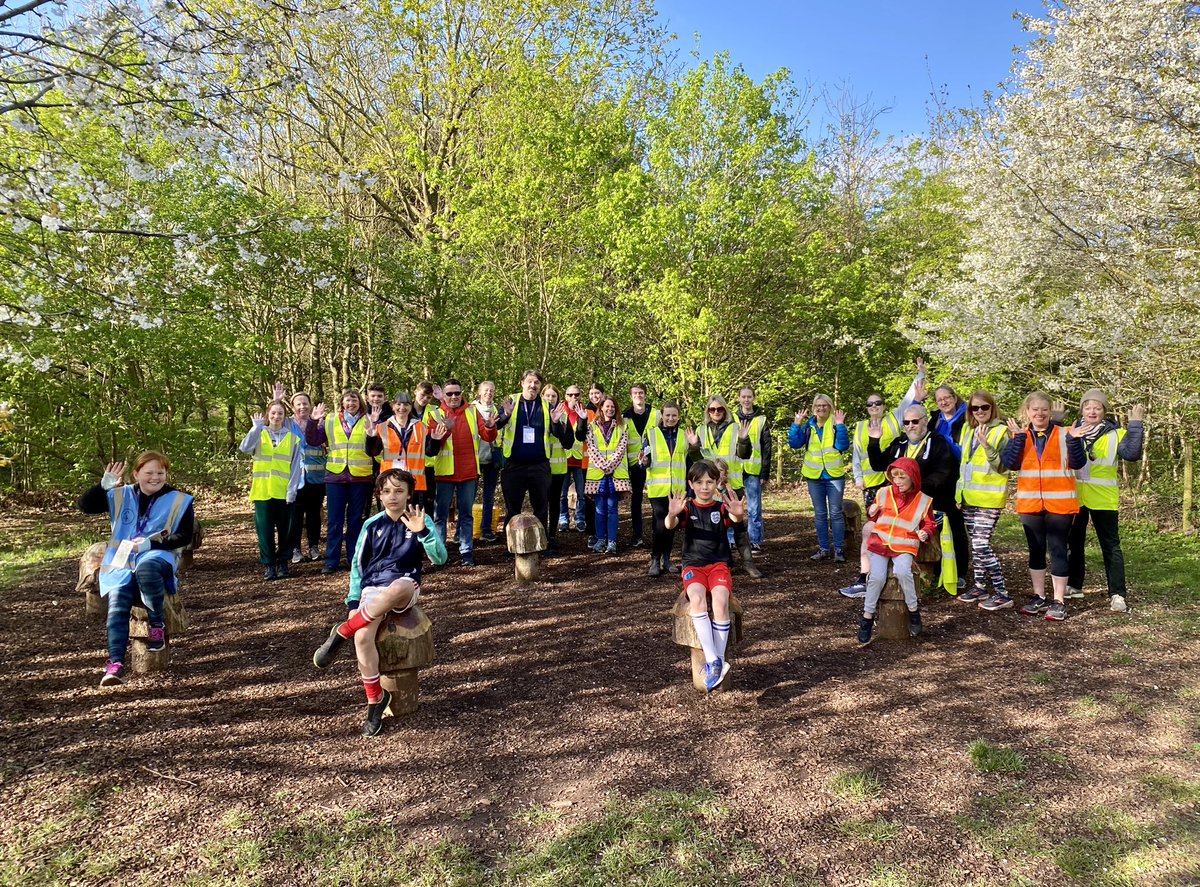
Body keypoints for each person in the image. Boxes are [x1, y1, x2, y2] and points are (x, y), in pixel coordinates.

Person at [311, 469, 446, 737]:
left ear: (409, 493)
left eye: (399, 491)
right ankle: (375, 700)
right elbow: (358, 567)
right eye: (386, 491)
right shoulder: (371, 524)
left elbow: (440, 558)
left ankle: (342, 632)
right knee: (362, 638)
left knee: (398, 586)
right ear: (379, 496)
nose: (392, 497)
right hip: (373, 590)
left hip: (405, 586)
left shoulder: (421, 520)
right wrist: (353, 602)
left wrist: (423, 534)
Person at [79, 452, 195, 686]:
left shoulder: (180, 499)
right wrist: (103, 487)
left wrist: (151, 543)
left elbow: (184, 536)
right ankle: (115, 664)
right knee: (117, 602)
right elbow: (85, 507)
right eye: (149, 472)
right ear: (136, 474)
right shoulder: (121, 494)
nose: (155, 477)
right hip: (121, 560)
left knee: (147, 567)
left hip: (157, 555)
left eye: (160, 473)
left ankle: (156, 624)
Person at [1001, 391, 1087, 621]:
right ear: (1026, 411)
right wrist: (1018, 438)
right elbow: (1010, 463)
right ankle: (1039, 596)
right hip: (1030, 503)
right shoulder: (1019, 434)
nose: (1039, 413)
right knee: (1035, 550)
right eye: (1034, 409)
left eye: (1044, 409)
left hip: (1060, 503)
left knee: (1058, 549)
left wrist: (1074, 441)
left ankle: (1059, 600)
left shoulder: (1067, 433)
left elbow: (1078, 462)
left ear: (1050, 411)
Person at [841, 363, 926, 597]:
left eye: (878, 403)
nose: (874, 407)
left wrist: (920, 374)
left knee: (894, 528)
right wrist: (858, 477)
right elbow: (857, 456)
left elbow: (910, 398)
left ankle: (892, 573)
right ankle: (868, 576)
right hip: (871, 486)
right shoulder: (860, 427)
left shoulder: (894, 419)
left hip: (893, 483)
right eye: (870, 404)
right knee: (874, 527)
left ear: (883, 406)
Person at [866, 403, 967, 592]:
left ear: (925, 421)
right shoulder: (900, 443)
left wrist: (914, 489)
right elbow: (878, 464)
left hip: (936, 500)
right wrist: (873, 442)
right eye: (906, 422)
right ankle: (903, 575)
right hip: (904, 504)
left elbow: (943, 473)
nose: (910, 425)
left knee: (953, 533)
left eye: (914, 421)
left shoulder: (938, 443)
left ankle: (958, 574)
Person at [665, 460, 747, 691]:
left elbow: (734, 520)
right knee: (698, 600)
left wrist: (739, 516)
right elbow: (670, 525)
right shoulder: (687, 508)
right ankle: (713, 660)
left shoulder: (721, 508)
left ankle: (717, 663)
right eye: (699, 482)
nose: (704, 487)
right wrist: (671, 515)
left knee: (721, 602)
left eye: (709, 482)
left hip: (719, 565)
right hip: (694, 566)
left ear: (717, 483)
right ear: (691, 484)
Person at [1067, 391, 1145, 613]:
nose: (1092, 411)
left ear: (1104, 412)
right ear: (1082, 410)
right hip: (1076, 497)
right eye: (1088, 407)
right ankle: (1074, 585)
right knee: (1074, 543)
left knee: (1110, 547)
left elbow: (1131, 454)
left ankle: (1117, 594)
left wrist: (1136, 425)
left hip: (1104, 498)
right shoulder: (1073, 431)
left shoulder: (1116, 433)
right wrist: (1054, 420)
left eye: (1097, 408)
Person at [856, 458, 935, 646]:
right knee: (876, 577)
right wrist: (871, 511)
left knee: (902, 572)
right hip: (880, 543)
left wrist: (926, 532)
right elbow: (873, 514)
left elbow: (930, 523)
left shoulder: (924, 500)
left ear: (913, 477)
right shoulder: (883, 492)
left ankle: (913, 611)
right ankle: (867, 617)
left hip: (904, 545)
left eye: (902, 476)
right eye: (894, 476)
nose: (897, 481)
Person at [495, 370, 574, 554]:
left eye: (537, 383)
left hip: (540, 465)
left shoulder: (547, 406)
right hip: (514, 465)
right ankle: (511, 546)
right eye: (529, 382)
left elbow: (562, 437)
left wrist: (555, 423)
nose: (533, 386)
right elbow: (495, 425)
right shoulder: (511, 402)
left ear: (540, 386)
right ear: (522, 383)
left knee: (541, 508)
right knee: (512, 508)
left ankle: (541, 544)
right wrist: (505, 415)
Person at [423, 377, 497, 567]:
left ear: (462, 393)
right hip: (445, 472)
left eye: (457, 393)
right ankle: (439, 554)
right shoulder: (436, 413)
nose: (454, 397)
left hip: (468, 471)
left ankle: (466, 552)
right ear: (444, 396)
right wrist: (446, 430)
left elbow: (487, 435)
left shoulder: (473, 412)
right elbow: (433, 445)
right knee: (440, 515)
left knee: (466, 514)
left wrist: (490, 427)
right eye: (449, 394)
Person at [687, 395, 759, 577]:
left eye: (719, 409)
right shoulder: (701, 430)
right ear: (708, 412)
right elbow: (697, 460)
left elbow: (744, 454)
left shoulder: (736, 428)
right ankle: (724, 562)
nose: (716, 412)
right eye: (712, 409)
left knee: (739, 526)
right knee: (716, 526)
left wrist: (743, 439)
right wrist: (694, 446)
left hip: (732, 485)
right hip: (709, 487)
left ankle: (749, 564)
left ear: (725, 410)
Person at [307, 390, 376, 574]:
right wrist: (313, 421)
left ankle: (355, 559)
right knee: (335, 521)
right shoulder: (330, 419)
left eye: (354, 400)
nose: (351, 403)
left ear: (360, 402)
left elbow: (375, 449)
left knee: (355, 521)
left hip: (360, 477)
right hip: (335, 477)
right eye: (347, 400)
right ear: (342, 403)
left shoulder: (369, 419)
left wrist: (373, 432)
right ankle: (331, 561)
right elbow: (313, 440)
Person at [955, 392, 1014, 610]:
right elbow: (965, 467)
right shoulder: (968, 431)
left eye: (984, 407)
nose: (979, 412)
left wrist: (987, 446)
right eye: (974, 408)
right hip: (968, 498)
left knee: (981, 544)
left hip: (990, 499)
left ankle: (1002, 592)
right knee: (976, 546)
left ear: (992, 408)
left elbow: (1003, 466)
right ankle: (980, 586)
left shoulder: (1001, 432)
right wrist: (958, 495)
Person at [240, 400, 304, 580]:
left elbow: (295, 468)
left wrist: (292, 490)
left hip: (284, 492)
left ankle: (283, 562)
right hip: (262, 491)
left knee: (287, 529)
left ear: (285, 417)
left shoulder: (293, 438)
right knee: (265, 531)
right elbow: (244, 448)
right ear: (268, 415)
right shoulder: (259, 433)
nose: (276, 417)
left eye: (280, 414)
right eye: (273, 413)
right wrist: (255, 428)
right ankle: (269, 565)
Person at [789, 394, 850, 561]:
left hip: (834, 475)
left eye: (825, 405)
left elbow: (842, 445)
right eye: (818, 405)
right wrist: (796, 424)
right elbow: (795, 444)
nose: (821, 408)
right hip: (814, 476)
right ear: (814, 407)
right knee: (820, 514)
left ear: (830, 407)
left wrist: (841, 426)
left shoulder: (835, 424)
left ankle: (838, 550)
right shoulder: (809, 425)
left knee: (836, 513)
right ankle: (824, 549)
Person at [641, 400, 688, 577]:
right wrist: (644, 461)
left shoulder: (684, 435)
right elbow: (644, 459)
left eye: (674, 415)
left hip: (677, 488)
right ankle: (655, 560)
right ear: (662, 415)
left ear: (678, 416)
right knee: (661, 522)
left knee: (672, 523)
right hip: (658, 487)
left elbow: (688, 461)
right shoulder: (651, 433)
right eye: (667, 415)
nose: (670, 418)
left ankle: (666, 559)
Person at [584, 394, 629, 553]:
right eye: (607, 406)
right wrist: (604, 466)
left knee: (612, 509)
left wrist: (610, 466)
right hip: (597, 475)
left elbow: (621, 448)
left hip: (616, 475)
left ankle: (612, 542)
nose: (610, 409)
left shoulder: (622, 426)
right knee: (599, 509)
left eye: (612, 406)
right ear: (601, 407)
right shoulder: (592, 426)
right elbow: (592, 448)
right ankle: (601, 539)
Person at [288, 391, 326, 563]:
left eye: (305, 403)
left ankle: (313, 547)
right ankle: (295, 549)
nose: (302, 406)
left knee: (313, 514)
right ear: (293, 406)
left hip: (316, 477)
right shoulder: (288, 424)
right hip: (295, 478)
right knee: (295, 514)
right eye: (299, 404)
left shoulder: (320, 422)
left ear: (310, 404)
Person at [366, 391, 426, 498]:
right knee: (392, 514)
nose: (402, 407)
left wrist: (436, 439)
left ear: (411, 406)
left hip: (415, 483)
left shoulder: (421, 427)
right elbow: (372, 452)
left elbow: (430, 451)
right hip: (390, 482)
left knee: (413, 514)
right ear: (393, 406)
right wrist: (371, 437)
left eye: (406, 404)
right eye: (398, 404)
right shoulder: (383, 427)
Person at [735, 386, 772, 552]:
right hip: (734, 468)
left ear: (754, 398)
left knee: (754, 507)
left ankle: (755, 540)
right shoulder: (732, 418)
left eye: (749, 396)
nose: (746, 400)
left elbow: (767, 447)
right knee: (731, 504)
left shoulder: (762, 419)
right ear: (739, 398)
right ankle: (731, 539)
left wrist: (765, 471)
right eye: (743, 397)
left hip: (753, 468)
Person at [623, 384, 659, 549]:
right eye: (635, 393)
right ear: (631, 396)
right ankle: (637, 535)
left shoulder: (656, 414)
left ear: (645, 395)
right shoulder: (624, 416)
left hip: (655, 464)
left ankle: (656, 533)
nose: (638, 395)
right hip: (634, 465)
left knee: (655, 500)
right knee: (636, 500)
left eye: (641, 393)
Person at [540, 383, 573, 554]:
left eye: (554, 396)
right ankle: (541, 536)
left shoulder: (564, 416)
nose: (550, 399)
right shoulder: (537, 414)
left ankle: (552, 536)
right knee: (541, 504)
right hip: (541, 467)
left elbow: (568, 443)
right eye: (547, 396)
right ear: (542, 397)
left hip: (558, 467)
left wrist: (557, 424)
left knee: (554, 503)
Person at [473, 381, 501, 543]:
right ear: (479, 392)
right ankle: (464, 530)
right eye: (485, 390)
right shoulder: (471, 409)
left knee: (488, 496)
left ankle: (486, 529)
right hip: (474, 458)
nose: (488, 393)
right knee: (469, 496)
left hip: (491, 459)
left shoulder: (497, 410)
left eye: (491, 390)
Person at [413, 381, 441, 511]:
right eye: (423, 395)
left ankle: (427, 529)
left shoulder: (434, 411)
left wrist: (442, 398)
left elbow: (448, 414)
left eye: (428, 397)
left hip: (428, 463)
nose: (424, 399)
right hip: (410, 463)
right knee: (411, 500)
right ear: (415, 392)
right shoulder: (404, 409)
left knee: (428, 501)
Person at [933, 384, 968, 458]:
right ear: (936, 404)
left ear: (955, 398)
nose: (944, 402)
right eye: (939, 400)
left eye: (946, 398)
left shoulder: (967, 419)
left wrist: (944, 439)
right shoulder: (934, 421)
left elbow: (965, 454)